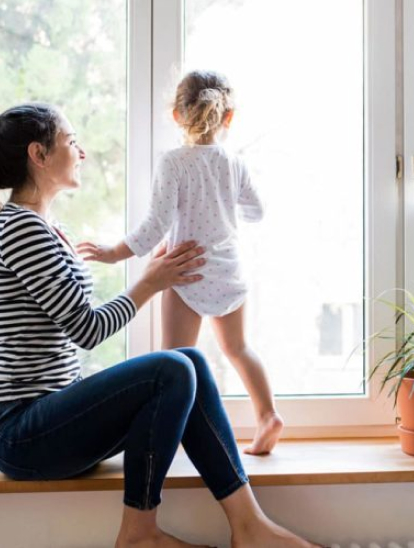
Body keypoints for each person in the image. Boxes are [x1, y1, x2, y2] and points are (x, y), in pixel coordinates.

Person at [0, 102, 316, 548]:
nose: (81, 151)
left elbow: (75, 322)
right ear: (39, 154)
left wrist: (152, 278)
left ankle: (249, 526)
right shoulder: (20, 229)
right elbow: (87, 329)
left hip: (48, 418)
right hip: (18, 432)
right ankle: (139, 532)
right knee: (171, 369)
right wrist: (149, 283)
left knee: (189, 361)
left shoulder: (47, 227)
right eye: (71, 141)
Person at [77, 70, 283, 455]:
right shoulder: (233, 163)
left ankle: (177, 436)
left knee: (174, 362)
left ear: (176, 115)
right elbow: (257, 211)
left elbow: (155, 226)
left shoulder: (173, 163)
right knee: (238, 348)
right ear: (228, 117)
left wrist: (111, 253)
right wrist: (224, 204)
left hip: (185, 270)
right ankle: (268, 415)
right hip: (229, 269)